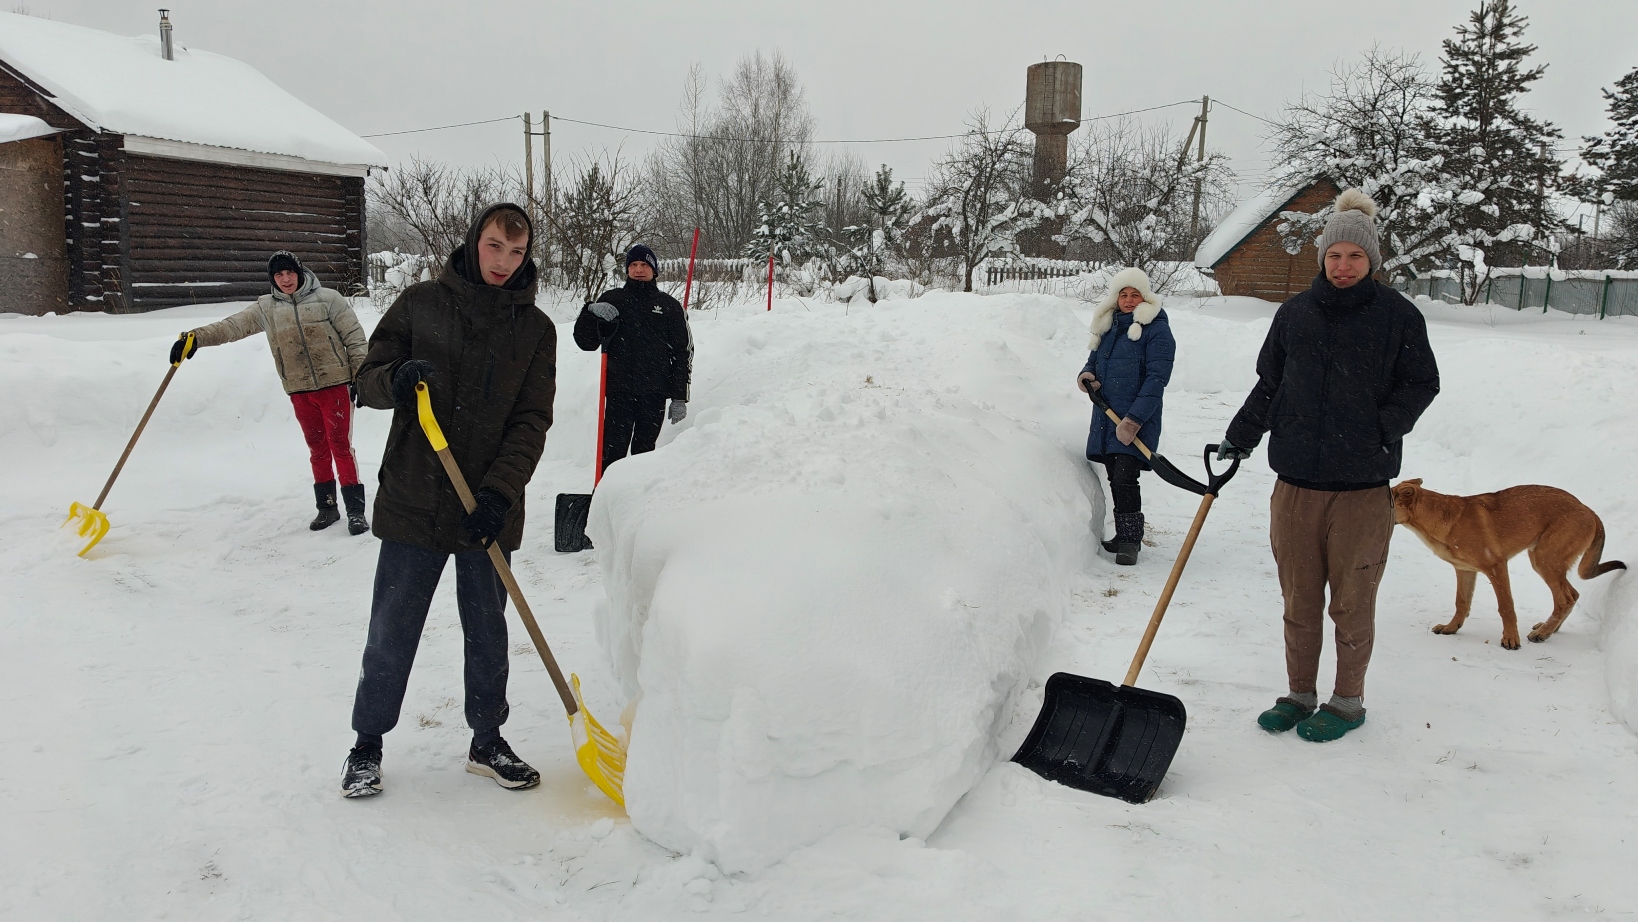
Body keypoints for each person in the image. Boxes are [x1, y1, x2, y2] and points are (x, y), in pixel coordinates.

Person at [340, 203, 556, 797]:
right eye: (493, 246)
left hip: (486, 508)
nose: (503, 262)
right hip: (415, 498)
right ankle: (367, 744)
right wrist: (397, 378)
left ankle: (487, 740)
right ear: (473, 241)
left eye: (516, 252)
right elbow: (367, 381)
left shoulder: (535, 330)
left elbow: (532, 421)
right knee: (392, 628)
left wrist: (499, 493)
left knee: (487, 630)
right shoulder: (420, 305)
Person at [1216, 189, 1440, 743]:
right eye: (1335, 255)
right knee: (1299, 597)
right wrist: (1240, 435)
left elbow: (1421, 383)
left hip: (1362, 489)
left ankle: (1346, 700)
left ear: (1372, 261)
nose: (1344, 266)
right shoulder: (1295, 315)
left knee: (1352, 599)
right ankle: (1298, 694)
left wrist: (1380, 428)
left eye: (1355, 257)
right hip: (1295, 482)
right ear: (1322, 257)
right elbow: (1271, 383)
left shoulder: (1398, 317)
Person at [170, 251, 370, 534]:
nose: (285, 279)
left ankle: (355, 511)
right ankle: (326, 508)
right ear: (272, 279)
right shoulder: (267, 307)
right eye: (279, 275)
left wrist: (362, 377)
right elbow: (232, 326)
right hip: (299, 389)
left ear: (299, 273)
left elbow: (355, 338)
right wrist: (196, 338)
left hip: (335, 384)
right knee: (317, 450)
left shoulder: (329, 299)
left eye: (289, 273)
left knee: (340, 446)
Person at [1077, 267, 1175, 566]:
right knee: (1114, 473)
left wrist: (1134, 420)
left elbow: (1157, 379)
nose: (1129, 301)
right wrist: (1087, 375)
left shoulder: (1156, 329)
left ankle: (1131, 540)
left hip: (1135, 418)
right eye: (1124, 295)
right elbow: (1093, 359)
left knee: (1125, 476)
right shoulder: (1109, 326)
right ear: (1116, 298)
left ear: (1145, 297)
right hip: (1108, 415)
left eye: (1135, 295)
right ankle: (1122, 535)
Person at [573, 245, 692, 474]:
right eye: (634, 265)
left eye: (644, 265)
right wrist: (589, 312)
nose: (639, 269)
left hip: (653, 395)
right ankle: (604, 500)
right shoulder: (612, 300)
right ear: (627, 270)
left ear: (654, 270)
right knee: (612, 454)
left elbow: (682, 352)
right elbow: (586, 343)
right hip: (619, 394)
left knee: (644, 456)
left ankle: (638, 504)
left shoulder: (669, 307)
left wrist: (679, 397)